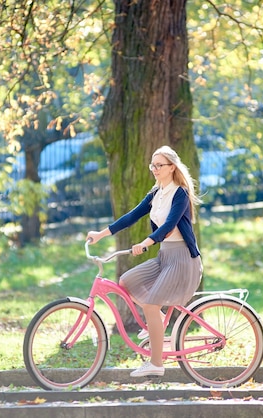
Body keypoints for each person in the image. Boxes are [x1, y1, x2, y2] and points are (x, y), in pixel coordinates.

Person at [86, 145, 203, 378]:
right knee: (126, 280)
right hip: (165, 256)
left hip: (183, 260)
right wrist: (101, 233)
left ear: (172, 167)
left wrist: (147, 242)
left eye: (159, 165)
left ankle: (156, 363)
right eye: (153, 165)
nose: (155, 169)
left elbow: (170, 225)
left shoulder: (179, 193)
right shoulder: (156, 193)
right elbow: (131, 216)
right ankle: (157, 320)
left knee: (150, 304)